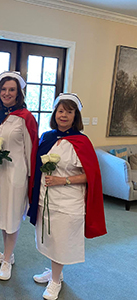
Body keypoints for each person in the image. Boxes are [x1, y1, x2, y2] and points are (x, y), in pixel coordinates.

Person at [28, 93, 106, 300]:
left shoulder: (81, 141)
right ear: (55, 113)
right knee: (49, 236)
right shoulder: (47, 137)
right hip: (46, 198)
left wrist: (64, 181)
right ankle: (55, 273)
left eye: (69, 112)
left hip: (68, 200)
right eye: (60, 111)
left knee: (61, 240)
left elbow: (92, 176)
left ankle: (55, 281)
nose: (64, 115)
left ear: (75, 116)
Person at [0, 71, 38, 280]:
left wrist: (30, 180)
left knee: (12, 216)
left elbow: (30, 150)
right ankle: (7, 253)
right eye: (3, 89)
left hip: (16, 175)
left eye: (11, 89)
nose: (7, 93)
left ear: (18, 93)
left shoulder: (26, 117)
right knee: (2, 214)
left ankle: (7, 260)